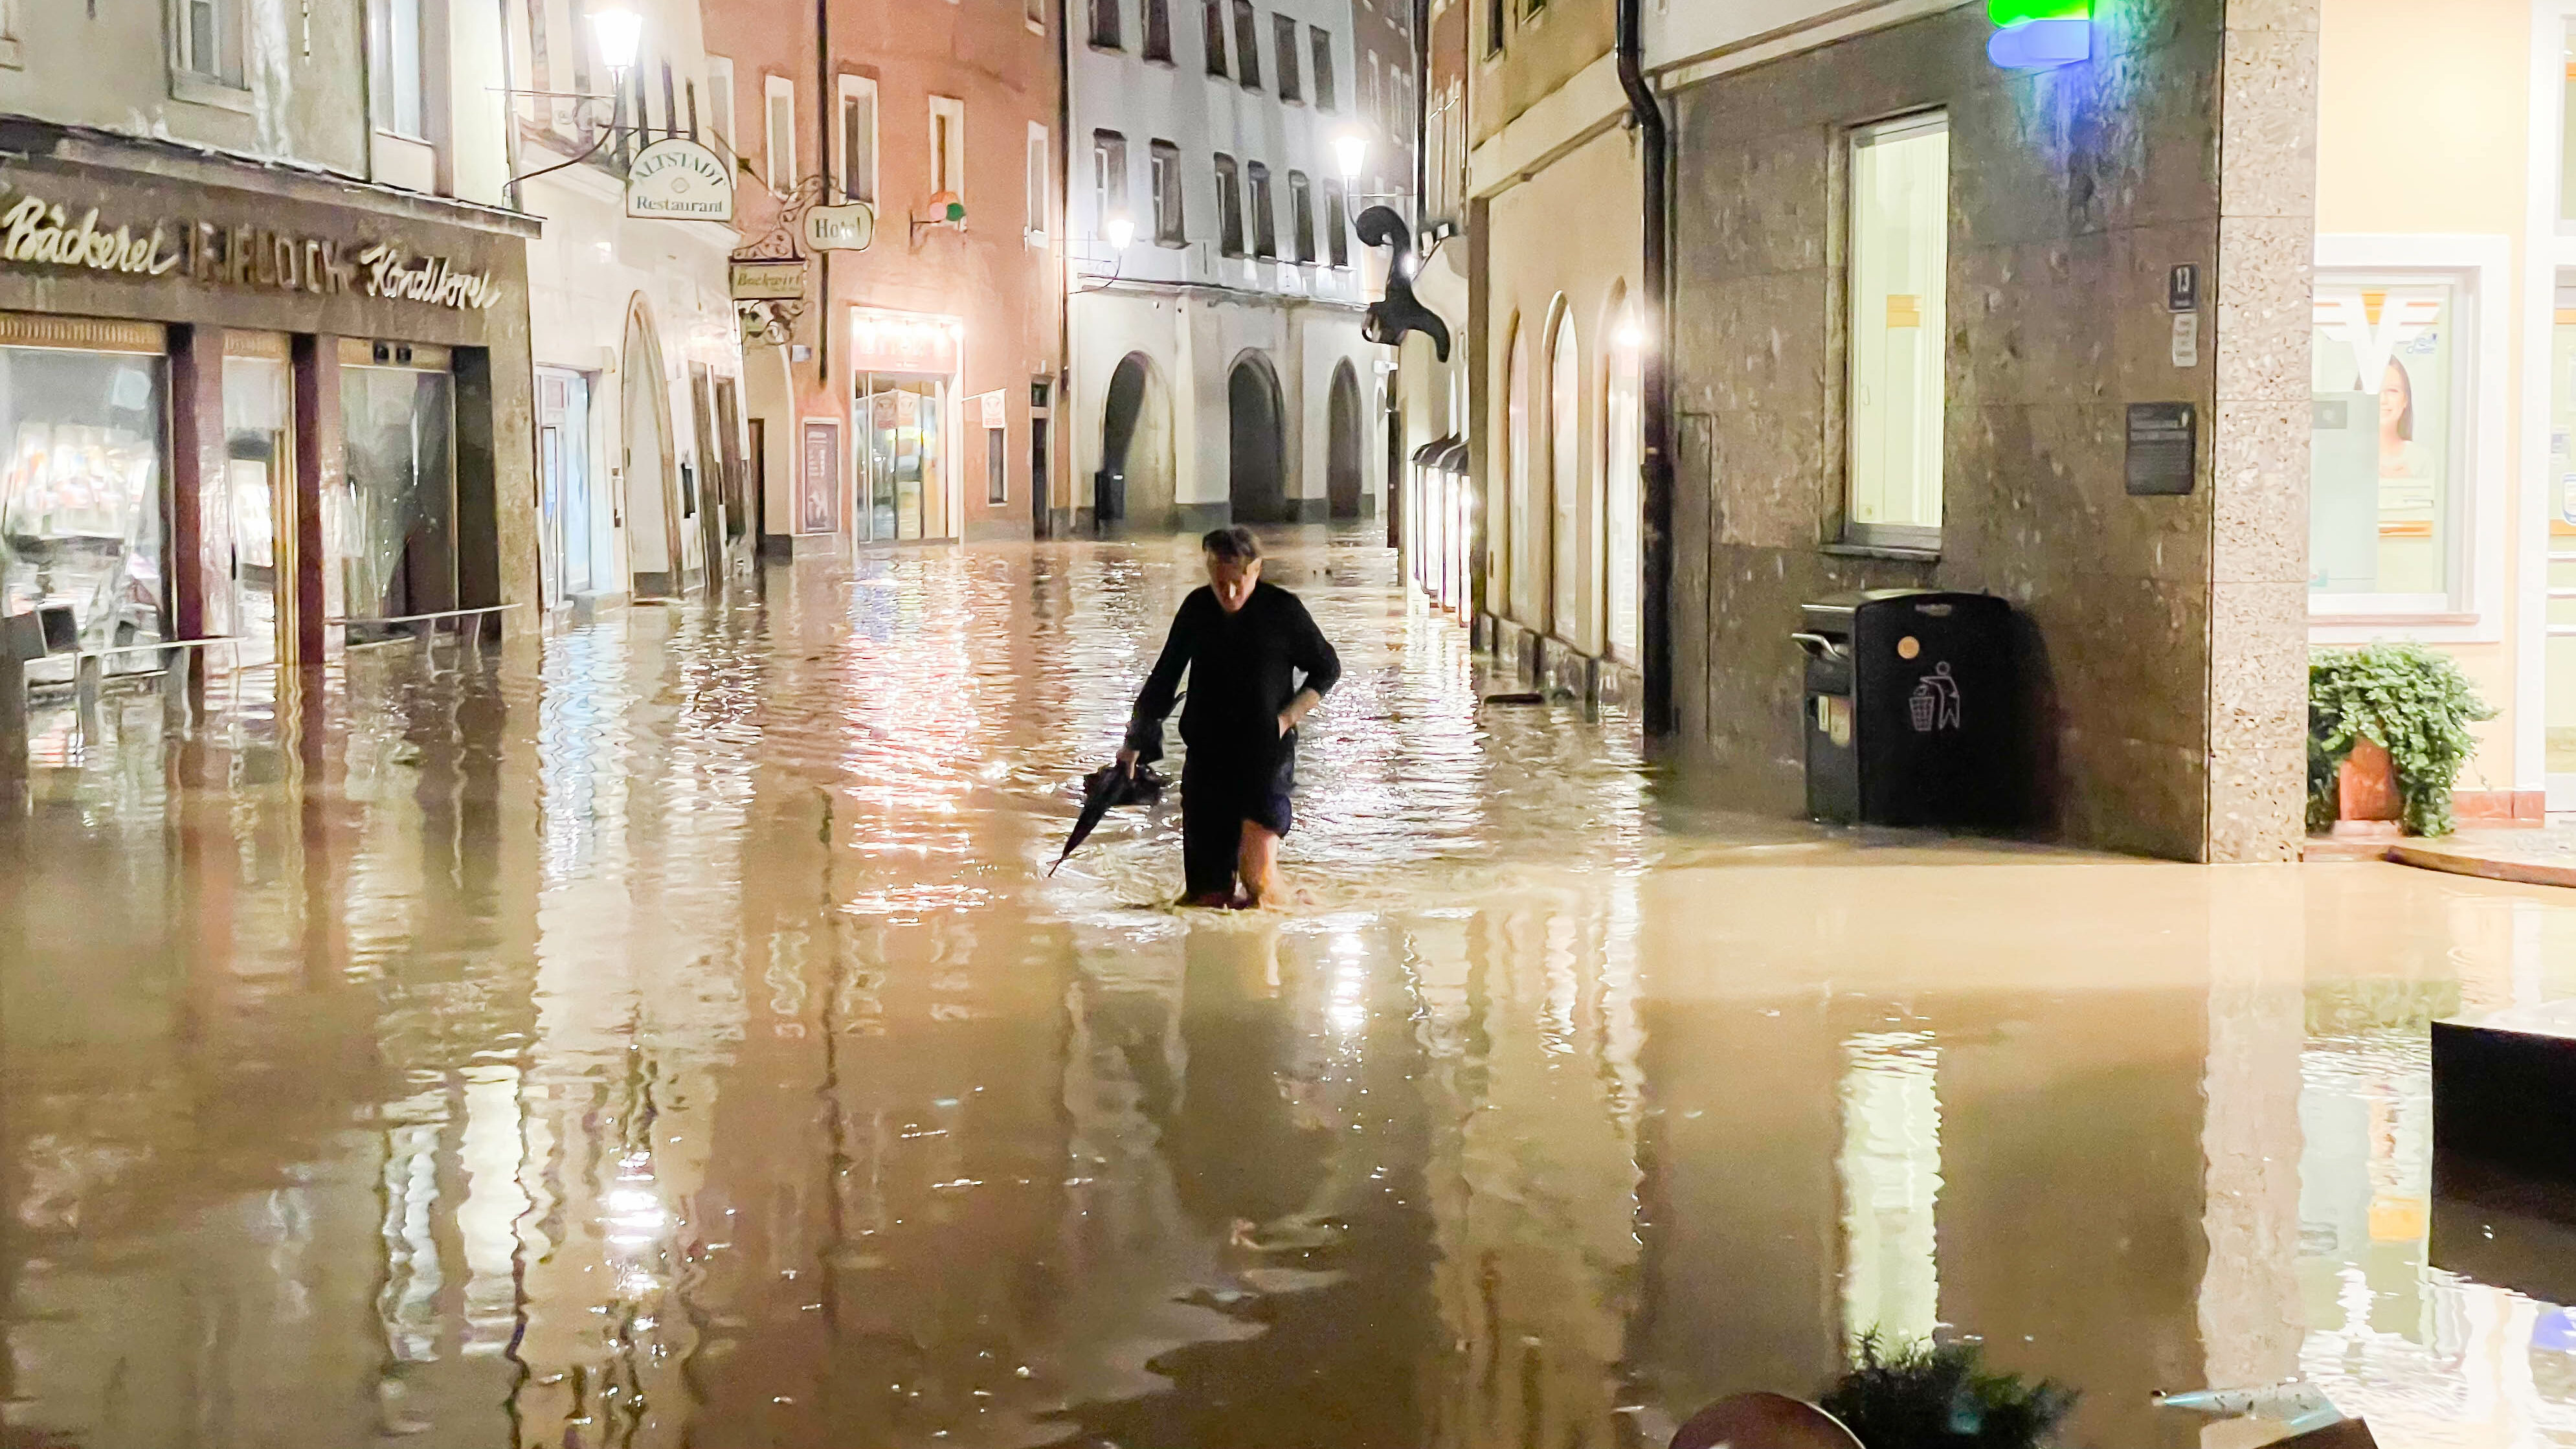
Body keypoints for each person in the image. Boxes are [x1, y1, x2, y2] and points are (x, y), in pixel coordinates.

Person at [1117, 526, 1340, 908]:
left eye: (1238, 582)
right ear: (1208, 570)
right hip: (1207, 759)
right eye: (1220, 582)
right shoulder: (1197, 610)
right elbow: (1164, 677)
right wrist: (1134, 741)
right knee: (1208, 896)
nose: (1230, 593)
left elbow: (1327, 668)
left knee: (1258, 885)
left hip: (1265, 757)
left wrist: (1286, 719)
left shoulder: (1282, 611)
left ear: (1256, 570)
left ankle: (1293, 908)